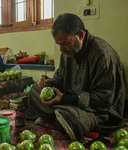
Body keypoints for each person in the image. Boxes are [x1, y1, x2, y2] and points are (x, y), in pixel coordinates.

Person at [25, 13, 126, 141]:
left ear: (80, 35)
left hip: (98, 111)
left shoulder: (103, 56)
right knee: (34, 90)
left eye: (65, 43)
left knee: (71, 118)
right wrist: (50, 83)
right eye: (59, 44)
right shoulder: (66, 52)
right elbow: (61, 78)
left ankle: (61, 116)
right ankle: (60, 116)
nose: (61, 49)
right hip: (69, 102)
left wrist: (66, 99)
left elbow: (105, 100)